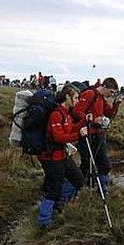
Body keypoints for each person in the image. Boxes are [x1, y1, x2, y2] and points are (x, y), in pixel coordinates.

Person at [37, 84, 87, 228]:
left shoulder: (67, 114)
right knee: (53, 190)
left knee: (78, 179)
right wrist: (78, 135)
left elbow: (71, 129)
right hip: (52, 157)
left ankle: (60, 204)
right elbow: (59, 137)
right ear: (67, 97)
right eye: (76, 98)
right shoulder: (56, 114)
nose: (77, 101)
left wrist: (85, 122)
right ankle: (44, 222)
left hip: (63, 156)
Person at [73, 77, 122, 195]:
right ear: (104, 86)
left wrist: (116, 104)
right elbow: (77, 111)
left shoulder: (101, 98)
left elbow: (109, 114)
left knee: (103, 163)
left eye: (114, 93)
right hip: (86, 134)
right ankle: (76, 189)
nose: (111, 95)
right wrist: (93, 119)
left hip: (97, 134)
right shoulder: (90, 94)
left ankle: (102, 189)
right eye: (111, 92)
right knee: (87, 163)